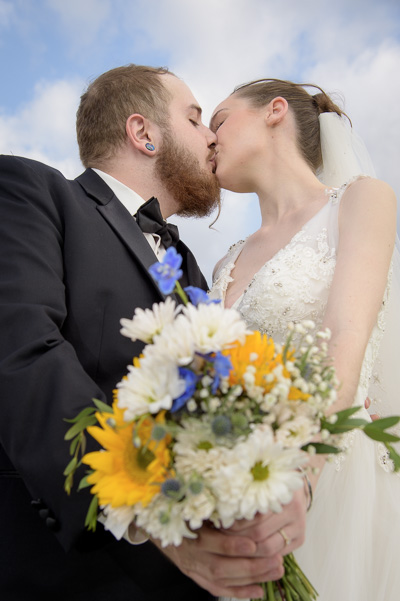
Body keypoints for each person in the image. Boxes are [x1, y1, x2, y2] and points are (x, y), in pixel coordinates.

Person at [0, 66, 308, 601]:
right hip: (71, 574)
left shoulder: (196, 269)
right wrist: (151, 506)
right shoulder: (30, 193)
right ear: (143, 135)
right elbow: (24, 355)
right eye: (194, 119)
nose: (212, 136)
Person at [209, 78, 400, 600]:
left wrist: (301, 480)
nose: (209, 139)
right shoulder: (224, 262)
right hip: (244, 480)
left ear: (274, 112)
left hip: (332, 470)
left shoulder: (360, 201)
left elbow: (346, 341)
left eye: (219, 120)